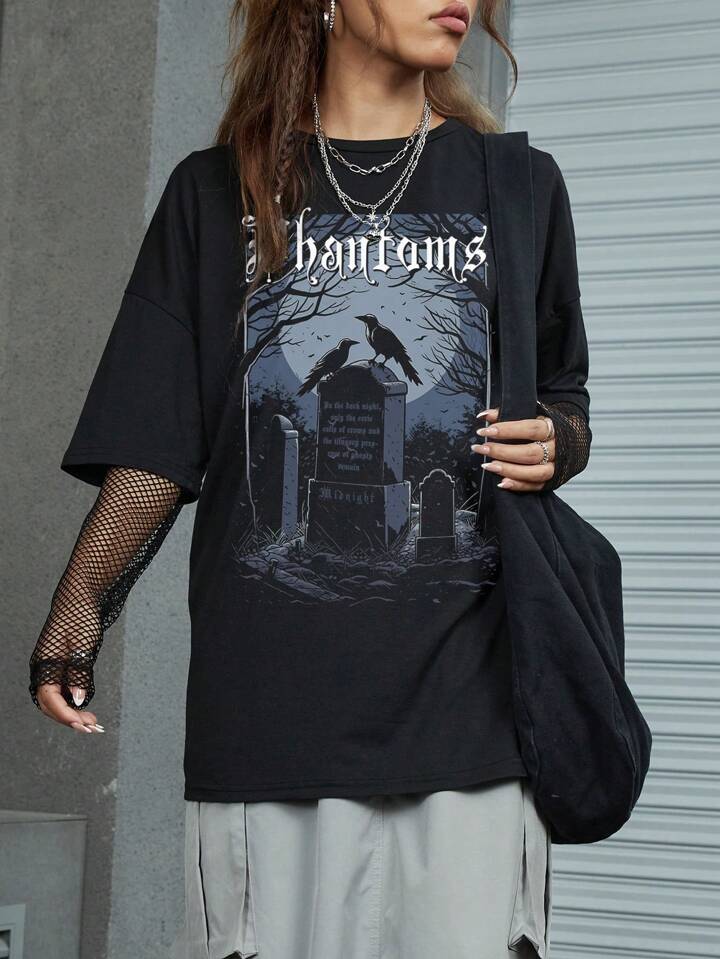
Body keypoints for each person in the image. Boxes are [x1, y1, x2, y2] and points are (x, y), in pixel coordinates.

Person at [28, 1, 592, 957]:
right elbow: (158, 439)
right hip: (271, 721)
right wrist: (78, 610)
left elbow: (564, 393)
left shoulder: (517, 184)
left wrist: (558, 442)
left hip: (473, 721)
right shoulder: (216, 194)